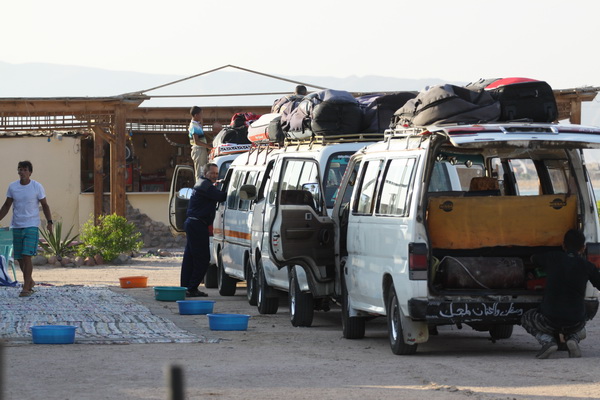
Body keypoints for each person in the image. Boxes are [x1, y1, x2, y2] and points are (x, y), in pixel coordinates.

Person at [521, 229, 600, 358]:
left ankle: (548, 341)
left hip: (549, 319)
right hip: (575, 321)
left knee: (526, 318)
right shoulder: (588, 266)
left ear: (563, 245)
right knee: (582, 318)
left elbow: (533, 258)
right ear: (583, 248)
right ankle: (573, 339)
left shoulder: (552, 257)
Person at [0, 161, 53, 297]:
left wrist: (49, 222)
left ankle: (26, 287)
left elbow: (45, 205)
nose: (22, 172)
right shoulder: (13, 187)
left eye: (24, 170)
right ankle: (30, 281)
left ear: (30, 172)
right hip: (17, 225)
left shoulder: (37, 187)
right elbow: (6, 205)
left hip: (31, 226)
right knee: (20, 258)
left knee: (26, 256)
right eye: (20, 169)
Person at [180, 163, 226, 297]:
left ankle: (186, 288)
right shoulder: (206, 186)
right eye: (212, 173)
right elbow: (221, 197)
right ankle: (192, 287)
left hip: (193, 224)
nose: (215, 176)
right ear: (205, 173)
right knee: (203, 258)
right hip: (197, 225)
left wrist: (217, 184)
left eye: (217, 174)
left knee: (190, 258)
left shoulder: (202, 184)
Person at [189, 106, 212, 182]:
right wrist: (208, 146)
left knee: (203, 170)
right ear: (196, 115)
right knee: (200, 171)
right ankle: (199, 188)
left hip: (201, 149)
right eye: (201, 114)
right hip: (198, 149)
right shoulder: (194, 126)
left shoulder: (197, 124)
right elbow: (196, 141)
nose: (202, 116)